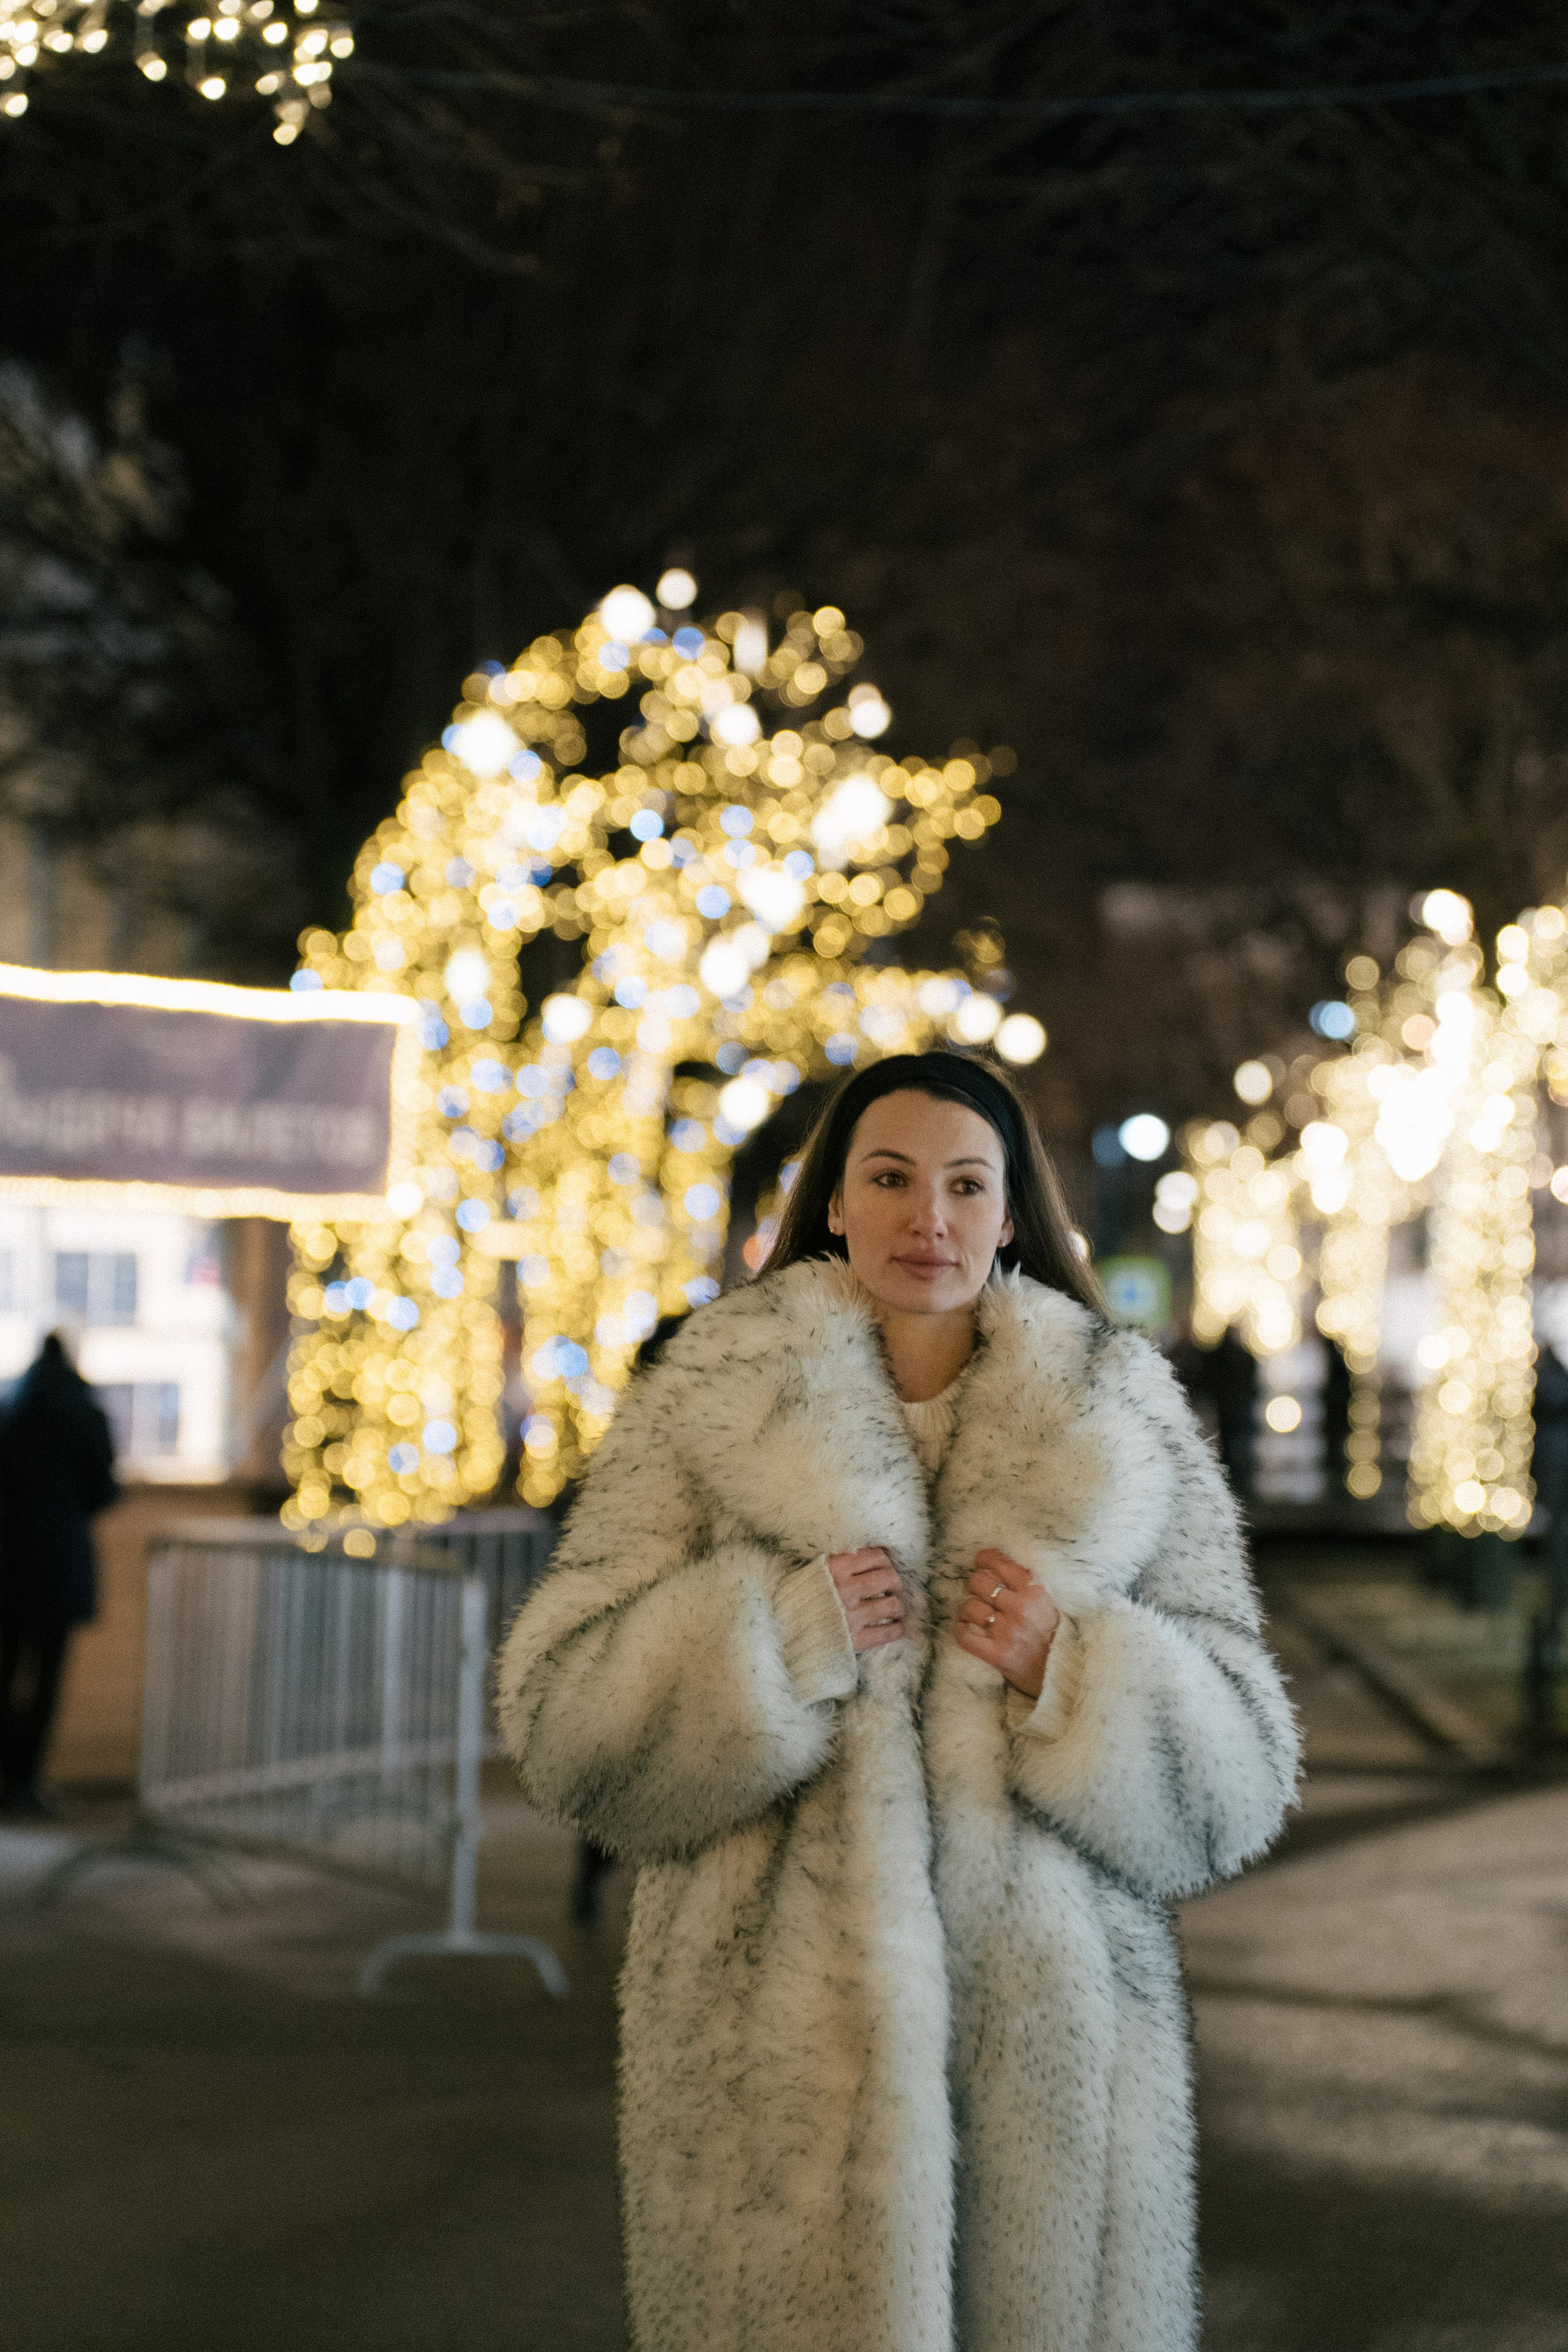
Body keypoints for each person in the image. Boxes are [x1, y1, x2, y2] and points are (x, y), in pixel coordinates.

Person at [498, 1051, 1297, 2352]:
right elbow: (564, 1726)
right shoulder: (708, 1402)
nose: (927, 1218)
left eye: (963, 1185)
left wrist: (1074, 1673)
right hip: (772, 2077)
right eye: (889, 1178)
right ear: (832, 1203)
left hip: (1054, 2083)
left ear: (1006, 1210)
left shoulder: (1119, 1422)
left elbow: (1238, 1784)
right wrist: (770, 1643)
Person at [0, 1330, 120, 1814]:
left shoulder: (10, 1410)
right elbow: (104, 1490)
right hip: (61, 1562)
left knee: (5, 1671)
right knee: (46, 1678)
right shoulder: (85, 1412)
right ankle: (25, 1781)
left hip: (8, 1562)